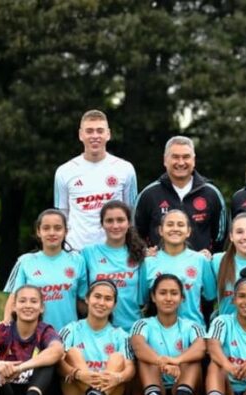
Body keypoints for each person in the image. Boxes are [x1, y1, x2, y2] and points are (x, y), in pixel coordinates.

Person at [53, 109, 138, 251]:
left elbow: (132, 215)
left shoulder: (125, 169)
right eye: (89, 131)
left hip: (113, 251)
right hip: (76, 251)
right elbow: (62, 217)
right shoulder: (64, 172)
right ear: (81, 135)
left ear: (108, 134)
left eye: (100, 131)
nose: (95, 136)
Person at [129, 274, 207, 395]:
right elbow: (138, 346)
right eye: (163, 293)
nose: (168, 298)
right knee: (146, 359)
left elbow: (201, 347)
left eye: (174, 293)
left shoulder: (192, 326)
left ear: (182, 298)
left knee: (193, 360)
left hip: (185, 392)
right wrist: (161, 361)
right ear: (153, 297)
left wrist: (176, 360)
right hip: (150, 392)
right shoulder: (143, 324)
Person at [58, 279, 135, 395]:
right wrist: (79, 374)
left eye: (108, 299)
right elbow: (57, 363)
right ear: (87, 299)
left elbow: (130, 369)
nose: (101, 303)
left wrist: (118, 378)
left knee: (118, 358)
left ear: (114, 305)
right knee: (72, 353)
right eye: (97, 296)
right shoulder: (70, 330)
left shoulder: (121, 335)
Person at [134, 136, 227, 253]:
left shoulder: (211, 193)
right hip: (160, 269)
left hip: (201, 268)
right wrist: (145, 252)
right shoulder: (149, 194)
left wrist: (211, 256)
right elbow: (136, 234)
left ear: (194, 160)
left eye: (186, 157)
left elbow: (221, 236)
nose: (181, 162)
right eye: (175, 157)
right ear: (165, 160)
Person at [3, 209, 87, 332]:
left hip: (69, 335)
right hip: (34, 338)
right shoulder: (25, 261)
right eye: (46, 228)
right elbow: (13, 298)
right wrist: (6, 327)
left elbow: (83, 301)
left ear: (66, 231)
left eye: (58, 228)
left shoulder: (78, 260)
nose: (52, 233)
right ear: (38, 231)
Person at [140, 209, 217, 329]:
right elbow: (143, 299)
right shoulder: (148, 263)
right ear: (161, 230)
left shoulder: (201, 260)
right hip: (158, 333)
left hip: (194, 331)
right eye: (170, 224)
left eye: (180, 225)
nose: (175, 229)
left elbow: (210, 295)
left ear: (188, 231)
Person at [82, 200, 146, 331]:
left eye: (120, 220)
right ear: (102, 224)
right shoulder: (88, 254)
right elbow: (82, 296)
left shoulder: (141, 254)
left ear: (129, 223)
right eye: (109, 221)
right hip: (98, 331)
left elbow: (144, 300)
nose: (115, 225)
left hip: (132, 329)